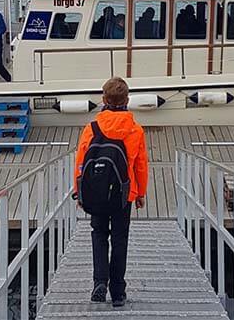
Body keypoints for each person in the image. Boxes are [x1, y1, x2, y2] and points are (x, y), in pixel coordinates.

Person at [74, 77, 148, 308]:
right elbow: (140, 166)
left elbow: (80, 161)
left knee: (98, 235)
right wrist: (140, 194)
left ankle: (99, 281)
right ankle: (117, 291)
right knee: (120, 239)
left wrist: (79, 192)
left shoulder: (92, 128)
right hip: (123, 195)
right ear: (127, 100)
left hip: (96, 192)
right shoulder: (135, 130)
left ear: (104, 99)